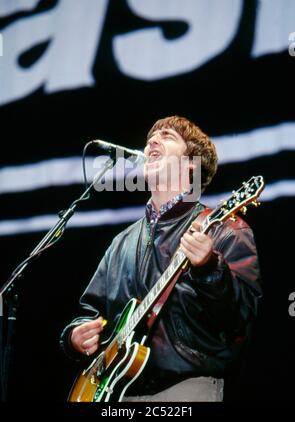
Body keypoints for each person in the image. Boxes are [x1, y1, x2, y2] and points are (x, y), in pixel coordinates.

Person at [60, 115, 262, 402]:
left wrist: (209, 268)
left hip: (185, 388)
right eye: (150, 138)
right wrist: (74, 337)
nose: (151, 141)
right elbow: (92, 311)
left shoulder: (225, 229)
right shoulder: (122, 243)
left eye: (167, 136)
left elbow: (242, 317)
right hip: (118, 391)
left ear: (191, 163)